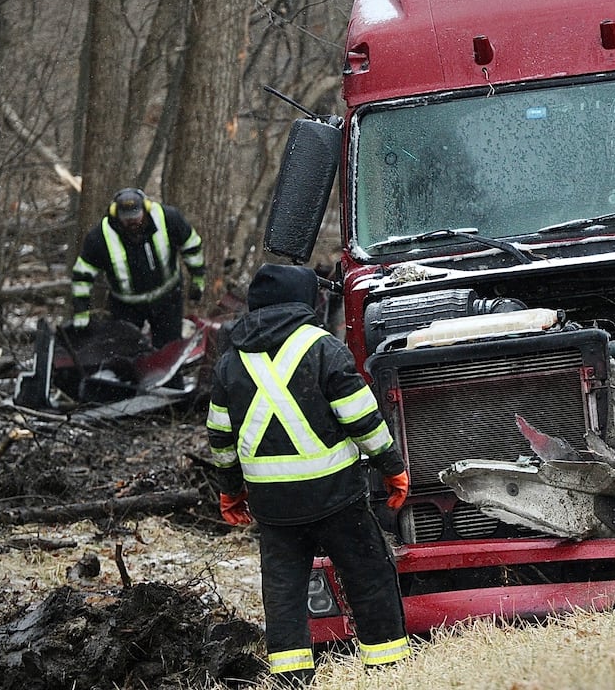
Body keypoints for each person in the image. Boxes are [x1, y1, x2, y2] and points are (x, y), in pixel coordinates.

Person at [206, 264, 411, 686]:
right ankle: (387, 665)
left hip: (273, 505)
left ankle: (291, 677)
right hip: (336, 495)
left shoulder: (231, 360)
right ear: (306, 300)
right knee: (367, 573)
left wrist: (230, 492)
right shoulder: (323, 348)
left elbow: (220, 438)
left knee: (283, 592)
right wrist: (392, 467)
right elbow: (362, 419)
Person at [70, 187, 206, 347]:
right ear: (115, 213)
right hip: (126, 306)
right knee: (125, 350)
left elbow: (192, 247)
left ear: (146, 208)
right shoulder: (100, 237)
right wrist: (81, 314)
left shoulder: (169, 218)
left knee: (168, 349)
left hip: (167, 299)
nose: (132, 222)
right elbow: (82, 276)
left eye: (136, 216)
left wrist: (198, 279)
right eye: (126, 218)